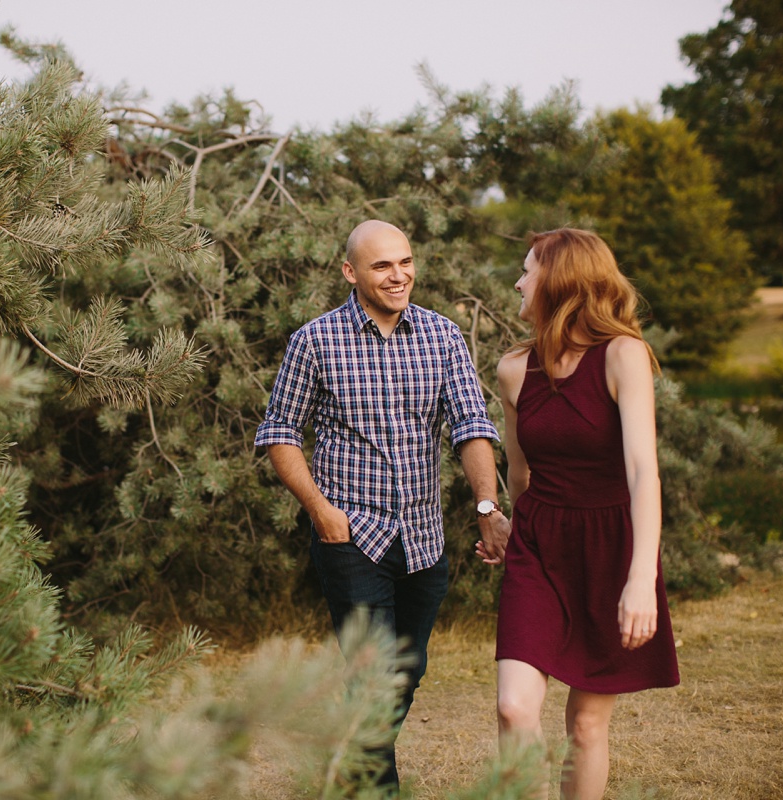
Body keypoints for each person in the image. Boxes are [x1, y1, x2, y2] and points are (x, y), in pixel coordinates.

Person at [255, 220, 511, 794]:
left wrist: (488, 505)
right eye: (381, 265)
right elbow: (279, 432)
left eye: (406, 262)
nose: (399, 276)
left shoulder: (442, 336)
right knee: (374, 676)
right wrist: (320, 510)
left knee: (408, 670)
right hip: (351, 536)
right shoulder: (314, 341)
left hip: (423, 536)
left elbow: (470, 425)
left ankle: (346, 762)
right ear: (351, 272)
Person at [480, 228, 680, 799]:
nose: (518, 282)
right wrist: (505, 526)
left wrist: (642, 579)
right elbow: (521, 473)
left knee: (587, 726)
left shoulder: (623, 355)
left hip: (612, 548)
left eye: (527, 272)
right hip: (539, 545)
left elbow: (644, 470)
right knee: (514, 707)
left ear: (560, 281)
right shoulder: (514, 369)